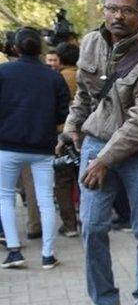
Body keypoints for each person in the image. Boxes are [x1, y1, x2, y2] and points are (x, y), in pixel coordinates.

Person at [60, 0, 138, 305]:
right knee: (92, 227)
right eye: (112, 9)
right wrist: (73, 127)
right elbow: (85, 96)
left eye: (127, 10)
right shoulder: (89, 44)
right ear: (104, 11)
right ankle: (105, 303)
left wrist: (103, 158)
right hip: (95, 145)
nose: (118, 15)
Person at [0, 28, 70, 269]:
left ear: (15, 48)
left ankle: (13, 251)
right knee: (45, 200)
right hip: (43, 146)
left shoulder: (3, 72)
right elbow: (63, 112)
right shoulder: (53, 76)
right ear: (40, 48)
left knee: (5, 197)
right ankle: (48, 254)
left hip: (7, 144)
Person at [54, 42, 80, 237]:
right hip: (85, 131)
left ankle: (70, 224)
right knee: (84, 177)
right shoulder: (85, 75)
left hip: (64, 132)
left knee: (63, 179)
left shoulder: (58, 78)